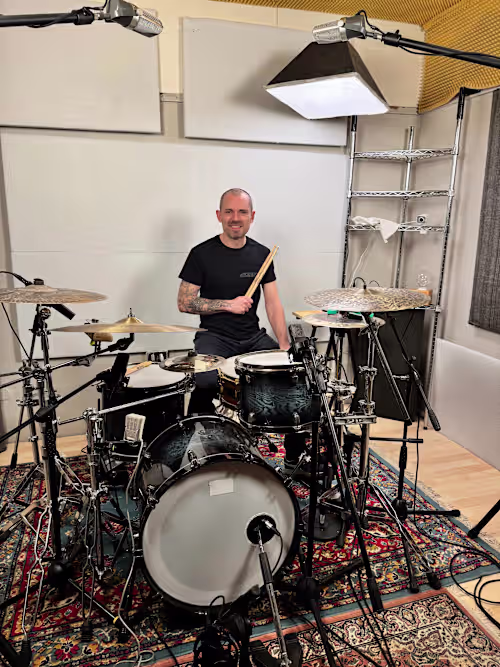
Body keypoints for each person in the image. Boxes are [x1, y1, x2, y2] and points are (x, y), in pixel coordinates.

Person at [178, 187, 289, 415]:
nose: (235, 218)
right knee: (206, 381)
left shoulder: (262, 255)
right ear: (219, 215)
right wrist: (228, 305)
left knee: (285, 375)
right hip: (214, 337)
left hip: (253, 337)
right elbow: (185, 302)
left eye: (242, 212)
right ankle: (197, 429)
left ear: (252, 216)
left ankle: (279, 436)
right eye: (229, 212)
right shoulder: (201, 254)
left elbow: (272, 303)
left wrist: (284, 344)